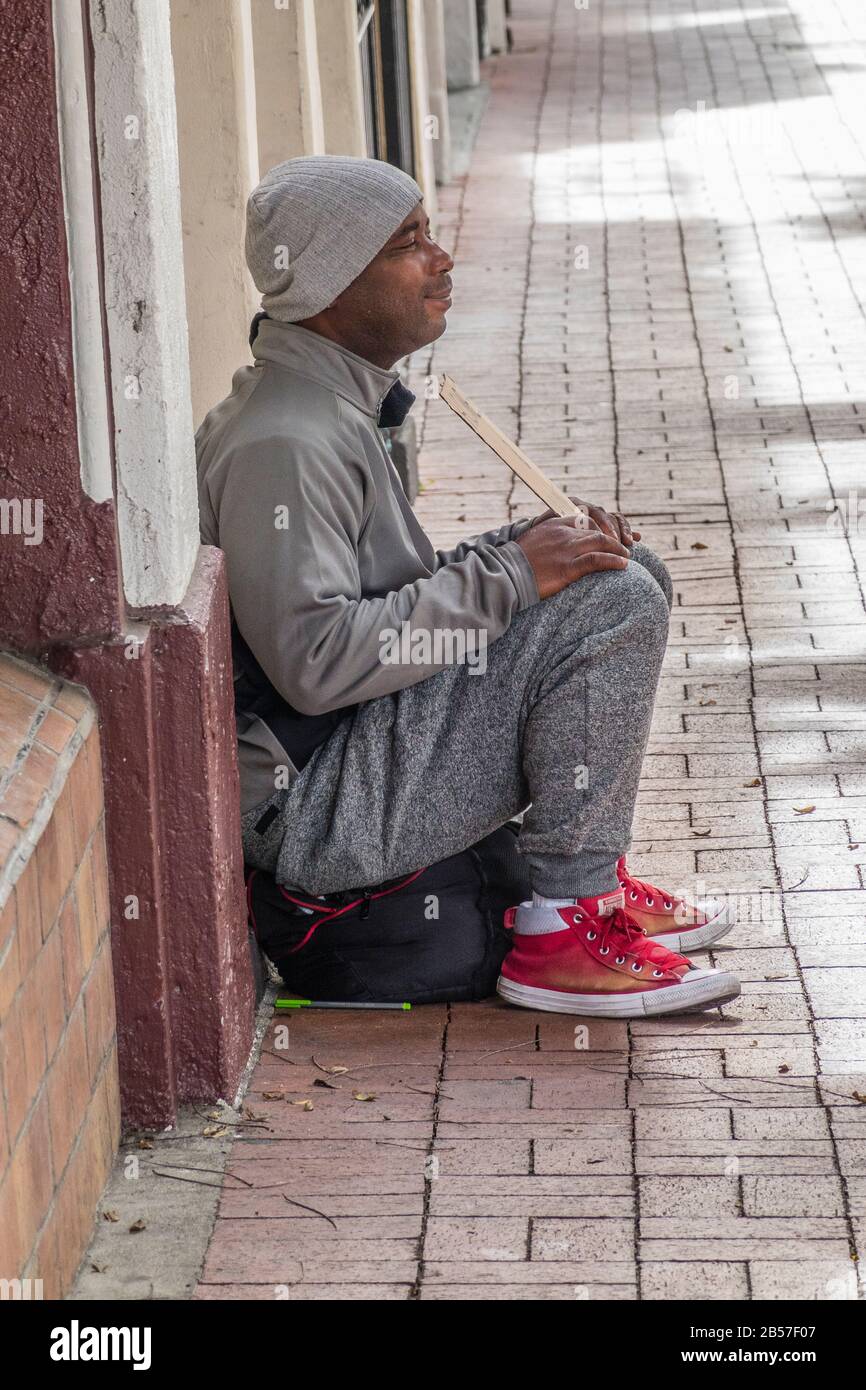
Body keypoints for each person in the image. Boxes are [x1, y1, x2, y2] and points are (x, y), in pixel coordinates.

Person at [196, 155, 740, 1018]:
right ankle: (564, 925)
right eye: (408, 244)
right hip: (318, 805)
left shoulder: (325, 401)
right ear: (333, 284)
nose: (441, 259)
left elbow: (384, 604)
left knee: (622, 571)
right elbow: (319, 664)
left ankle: (587, 876)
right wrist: (514, 572)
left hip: (356, 749)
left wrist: (527, 549)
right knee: (613, 602)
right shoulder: (285, 441)